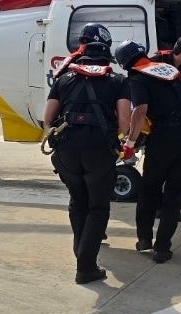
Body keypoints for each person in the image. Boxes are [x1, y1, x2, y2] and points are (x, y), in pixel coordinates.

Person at [43, 39, 130, 284]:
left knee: (77, 201)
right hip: (99, 151)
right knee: (98, 207)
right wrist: (123, 142)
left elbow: (47, 119)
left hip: (66, 151)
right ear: (106, 62)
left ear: (82, 60)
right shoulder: (118, 81)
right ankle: (86, 265)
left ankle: (80, 252)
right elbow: (124, 121)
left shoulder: (63, 80)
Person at [116, 40, 181, 263]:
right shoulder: (170, 70)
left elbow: (140, 110)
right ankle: (162, 249)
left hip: (164, 139)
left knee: (150, 188)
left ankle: (144, 238)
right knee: (174, 195)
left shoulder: (137, 77)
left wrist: (130, 143)